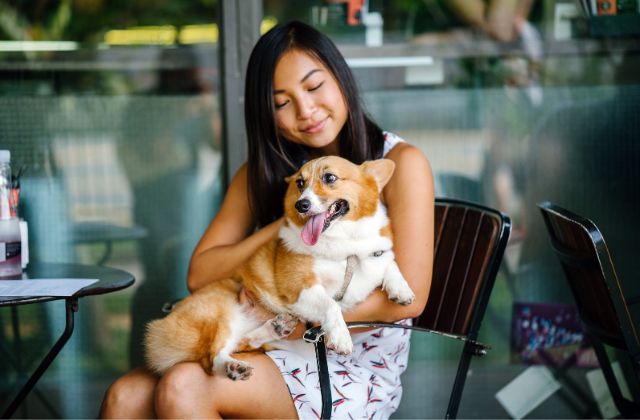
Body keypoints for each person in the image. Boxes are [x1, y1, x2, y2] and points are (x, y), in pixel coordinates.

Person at [100, 20, 434, 419]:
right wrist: (293, 218)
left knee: (184, 387)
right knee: (124, 396)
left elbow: (407, 298)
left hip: (349, 361)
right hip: (267, 343)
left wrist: (291, 322)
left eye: (313, 87)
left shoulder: (399, 162)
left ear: (341, 78)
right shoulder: (265, 173)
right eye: (282, 102)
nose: (306, 111)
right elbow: (200, 273)